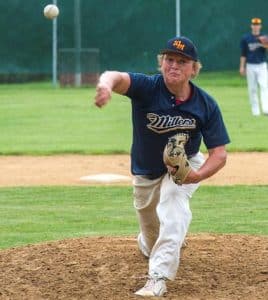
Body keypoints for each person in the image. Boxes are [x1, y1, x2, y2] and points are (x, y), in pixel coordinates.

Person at [94, 36, 230, 297]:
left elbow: (219, 154)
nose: (174, 65)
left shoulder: (205, 104)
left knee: (173, 203)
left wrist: (196, 175)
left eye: (182, 61)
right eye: (169, 59)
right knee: (149, 226)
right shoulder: (147, 87)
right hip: (146, 171)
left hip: (184, 166)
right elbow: (115, 75)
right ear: (161, 63)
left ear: (194, 69)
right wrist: (105, 86)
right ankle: (151, 244)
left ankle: (158, 277)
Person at [239, 17, 268, 116]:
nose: (256, 27)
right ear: (251, 26)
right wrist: (242, 67)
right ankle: (255, 112)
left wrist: (264, 43)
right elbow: (243, 54)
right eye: (254, 25)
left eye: (257, 25)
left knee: (264, 86)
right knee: (252, 89)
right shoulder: (246, 38)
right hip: (250, 65)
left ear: (260, 26)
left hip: (262, 66)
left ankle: (265, 109)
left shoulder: (265, 37)